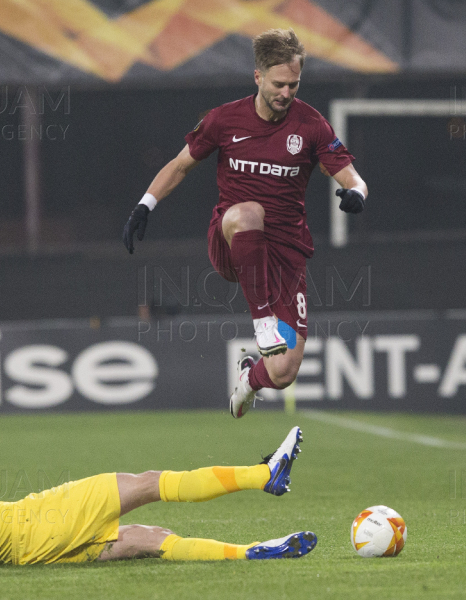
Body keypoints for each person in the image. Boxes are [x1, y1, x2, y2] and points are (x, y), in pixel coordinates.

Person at [122, 29, 368, 419]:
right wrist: (144, 206)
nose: (286, 93)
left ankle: (248, 380)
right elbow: (180, 164)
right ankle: (263, 321)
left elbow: (351, 176)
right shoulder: (224, 119)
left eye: (294, 84)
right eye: (278, 84)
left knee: (284, 371)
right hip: (232, 238)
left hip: (286, 255)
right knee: (249, 212)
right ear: (257, 76)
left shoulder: (312, 124)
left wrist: (357, 194)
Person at [0, 424, 314, 571]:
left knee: (144, 538)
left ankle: (252, 553)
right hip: (33, 521)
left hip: (32, 554)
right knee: (149, 482)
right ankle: (265, 475)